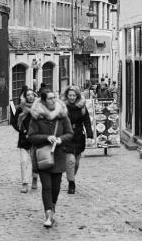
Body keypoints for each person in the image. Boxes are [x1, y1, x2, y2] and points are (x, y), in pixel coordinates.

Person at [28, 90, 73, 228]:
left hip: (58, 156)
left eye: (54, 98)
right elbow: (31, 136)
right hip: (43, 157)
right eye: (50, 98)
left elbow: (70, 133)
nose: (53, 100)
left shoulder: (62, 115)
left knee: (56, 188)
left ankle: (52, 207)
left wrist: (60, 139)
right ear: (43, 101)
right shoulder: (37, 117)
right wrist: (46, 137)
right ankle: (48, 214)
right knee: (46, 187)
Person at [61, 85, 93, 194]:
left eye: (74, 95)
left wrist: (90, 135)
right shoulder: (62, 107)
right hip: (67, 136)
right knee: (70, 160)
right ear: (67, 95)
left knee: (76, 163)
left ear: (77, 96)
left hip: (79, 136)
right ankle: (71, 183)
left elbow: (87, 121)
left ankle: (71, 177)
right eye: (70, 95)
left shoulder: (82, 107)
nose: (72, 97)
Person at [13, 86, 38, 193]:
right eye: (28, 95)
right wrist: (22, 130)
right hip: (23, 139)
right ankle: (24, 183)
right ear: (25, 97)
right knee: (24, 162)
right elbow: (14, 122)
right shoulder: (20, 108)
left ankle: (35, 179)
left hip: (36, 139)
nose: (31, 97)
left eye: (32, 94)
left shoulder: (39, 107)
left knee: (35, 162)